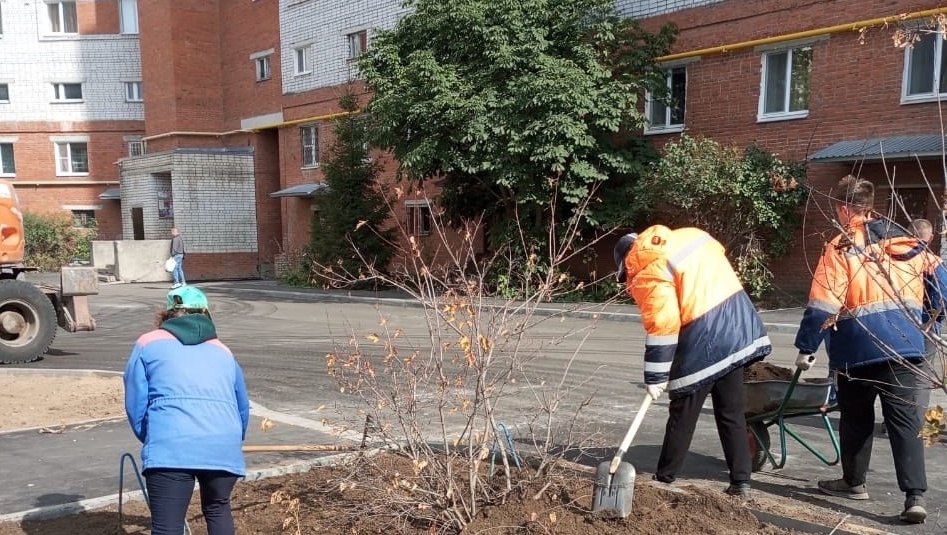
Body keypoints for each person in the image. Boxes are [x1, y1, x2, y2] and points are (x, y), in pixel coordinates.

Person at [794, 176, 947, 524]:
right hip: (908, 348)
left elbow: (822, 303)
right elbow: (942, 281)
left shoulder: (841, 246)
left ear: (844, 207)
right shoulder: (906, 239)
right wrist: (930, 321)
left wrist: (807, 347)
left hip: (858, 349)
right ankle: (914, 497)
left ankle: (854, 483)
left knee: (856, 420)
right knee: (906, 424)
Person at [613, 225, 772, 497]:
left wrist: (655, 378)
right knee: (731, 412)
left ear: (628, 261)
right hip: (736, 326)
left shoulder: (646, 268)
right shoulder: (690, 236)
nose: (628, 280)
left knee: (683, 410)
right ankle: (741, 482)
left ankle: (664, 479)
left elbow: (663, 325)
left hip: (703, 336)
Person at [124, 286, 250, 535]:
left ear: (167, 314)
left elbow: (135, 403)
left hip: (171, 445)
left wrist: (151, 437)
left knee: (167, 526)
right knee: (217, 509)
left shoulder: (147, 343)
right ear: (206, 314)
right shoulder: (223, 350)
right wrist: (231, 440)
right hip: (222, 442)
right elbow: (242, 407)